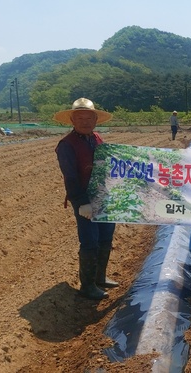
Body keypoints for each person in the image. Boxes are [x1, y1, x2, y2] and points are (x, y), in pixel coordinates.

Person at [54, 98, 118, 300]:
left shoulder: (97, 139)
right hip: (84, 199)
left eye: (89, 117)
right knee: (90, 240)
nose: (85, 121)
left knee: (106, 236)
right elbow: (70, 176)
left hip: (103, 196)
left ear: (96, 119)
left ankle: (100, 277)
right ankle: (87, 285)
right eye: (80, 118)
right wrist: (82, 202)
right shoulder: (66, 145)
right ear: (72, 120)